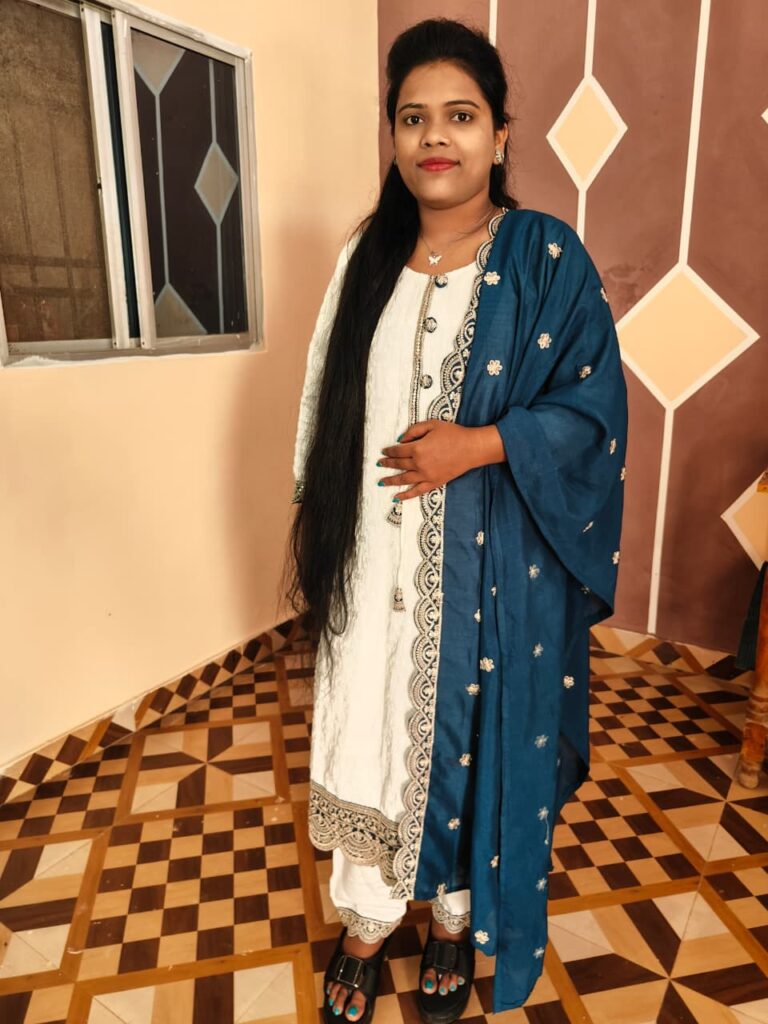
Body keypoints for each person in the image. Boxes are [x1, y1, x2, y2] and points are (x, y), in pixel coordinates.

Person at [285, 17, 628, 1022]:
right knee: (368, 728)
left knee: (473, 738)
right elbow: (320, 407)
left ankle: (451, 918)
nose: (436, 137)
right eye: (412, 118)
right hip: (371, 566)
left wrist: (479, 445)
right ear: (392, 136)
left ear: (500, 134)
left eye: (461, 116)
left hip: (491, 576)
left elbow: (595, 412)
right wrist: (316, 529)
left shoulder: (544, 259)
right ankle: (365, 921)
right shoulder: (364, 257)